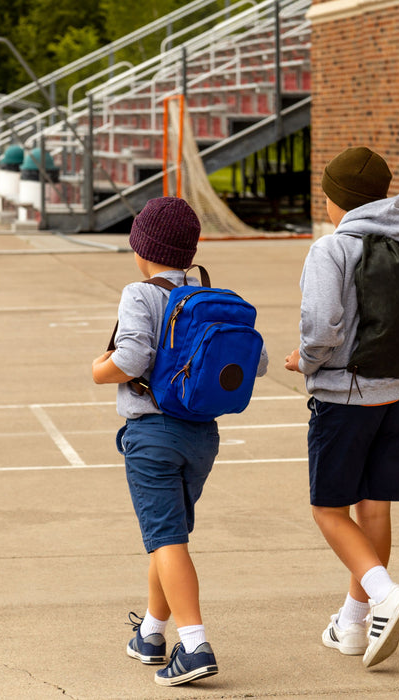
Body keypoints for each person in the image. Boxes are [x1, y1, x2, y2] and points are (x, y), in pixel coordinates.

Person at [92, 196, 268, 687]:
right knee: (167, 537)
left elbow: (128, 360)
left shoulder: (140, 293)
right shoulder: (211, 297)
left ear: (141, 249)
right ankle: (150, 635)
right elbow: (258, 362)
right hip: (202, 437)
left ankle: (193, 644)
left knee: (167, 540)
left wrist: (97, 370)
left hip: (152, 434)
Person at [285, 147, 399, 668]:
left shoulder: (331, 250)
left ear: (338, 201)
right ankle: (353, 626)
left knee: (328, 510)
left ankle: (385, 594)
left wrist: (305, 361)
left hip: (343, 398)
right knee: (374, 507)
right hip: (398, 396)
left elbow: (323, 327)